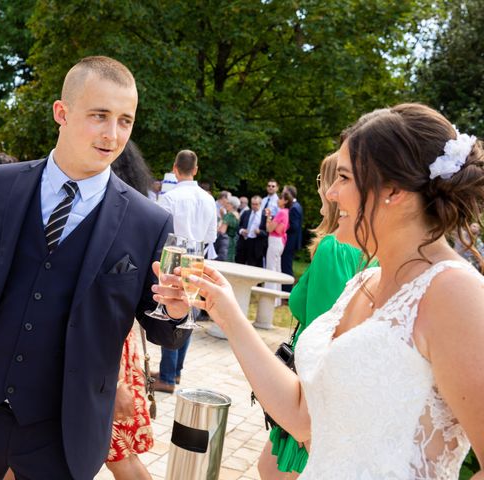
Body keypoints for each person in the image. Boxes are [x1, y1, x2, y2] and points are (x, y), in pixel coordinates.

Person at [161, 103, 484, 479]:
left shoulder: (456, 293)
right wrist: (226, 311)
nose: (330, 193)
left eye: (344, 177)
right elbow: (302, 417)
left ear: (392, 190)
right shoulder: (363, 282)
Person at [0, 56, 190, 480]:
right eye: (99, 116)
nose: (112, 134)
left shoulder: (148, 221)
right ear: (61, 113)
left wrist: (176, 311)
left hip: (64, 439)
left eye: (125, 121)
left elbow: (161, 330)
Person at [258, 152, 363, 478]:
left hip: (312, 395)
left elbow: (325, 335)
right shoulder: (361, 248)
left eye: (326, 179)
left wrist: (309, 415)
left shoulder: (334, 248)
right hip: (327, 398)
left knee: (275, 471)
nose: (322, 189)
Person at [106, 140, 155, 479]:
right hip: (118, 353)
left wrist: (113, 384)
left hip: (108, 359)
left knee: (119, 454)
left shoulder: (121, 223)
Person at [153, 149, 216, 393]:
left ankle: (168, 376)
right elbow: (211, 236)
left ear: (175, 169)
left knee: (171, 312)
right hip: (198, 258)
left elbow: (160, 232)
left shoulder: (170, 197)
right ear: (196, 169)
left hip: (175, 258)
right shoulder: (208, 199)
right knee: (187, 313)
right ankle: (175, 370)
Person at [264, 190, 291, 300]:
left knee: (271, 267)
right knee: (276, 267)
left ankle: (270, 295)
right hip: (279, 241)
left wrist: (268, 218)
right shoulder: (286, 212)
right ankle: (276, 298)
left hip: (275, 240)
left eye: (280, 198)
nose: (278, 200)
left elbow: (269, 228)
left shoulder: (281, 212)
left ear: (285, 201)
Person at [280, 185, 302, 291]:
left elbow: (294, 226)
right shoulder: (294, 206)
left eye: (284, 192)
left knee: (286, 266)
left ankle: (287, 290)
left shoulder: (295, 207)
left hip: (290, 242)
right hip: (290, 241)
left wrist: (283, 226)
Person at [235, 195, 268, 267]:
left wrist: (260, 232)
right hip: (244, 241)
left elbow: (267, 232)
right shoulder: (246, 213)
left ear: (260, 204)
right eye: (252, 204)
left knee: (253, 265)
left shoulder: (264, 216)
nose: (254, 206)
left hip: (256, 243)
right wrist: (241, 231)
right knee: (240, 263)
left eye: (256, 204)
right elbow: (238, 226)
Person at [220, 195, 240, 262]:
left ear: (232, 205)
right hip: (234, 241)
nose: (225, 204)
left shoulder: (229, 215)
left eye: (227, 203)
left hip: (226, 241)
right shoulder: (237, 215)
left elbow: (222, 231)